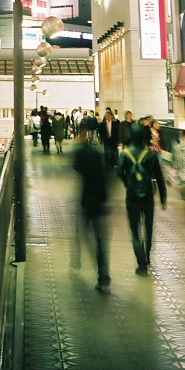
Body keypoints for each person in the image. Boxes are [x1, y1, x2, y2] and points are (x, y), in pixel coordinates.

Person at [118, 123, 167, 274]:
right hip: (148, 197)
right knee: (148, 228)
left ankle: (141, 264)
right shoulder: (151, 154)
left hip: (132, 196)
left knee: (134, 230)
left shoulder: (125, 153)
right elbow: (159, 177)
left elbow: (119, 172)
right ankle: (147, 256)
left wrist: (127, 182)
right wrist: (163, 197)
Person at [72, 121, 111, 293]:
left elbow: (76, 166)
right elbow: (104, 178)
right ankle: (103, 275)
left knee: (82, 232)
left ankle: (77, 258)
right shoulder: (97, 155)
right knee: (99, 240)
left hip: (86, 200)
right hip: (98, 201)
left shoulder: (81, 154)